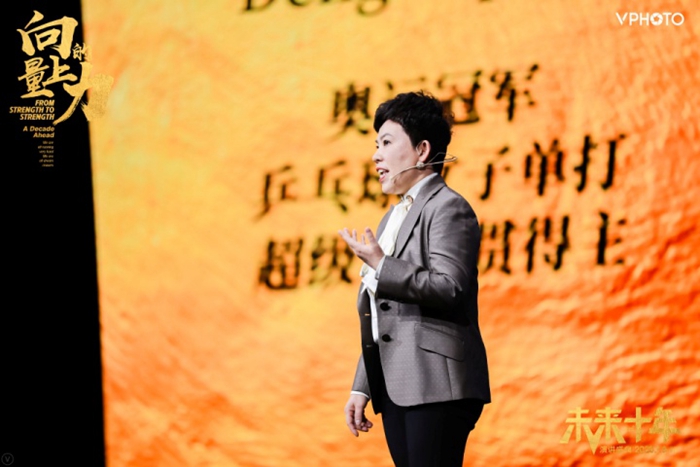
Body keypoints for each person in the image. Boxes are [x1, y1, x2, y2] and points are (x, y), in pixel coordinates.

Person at [338, 91, 491, 467]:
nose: (376, 156)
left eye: (387, 143)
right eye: (376, 145)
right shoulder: (392, 217)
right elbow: (383, 315)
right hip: (397, 383)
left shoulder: (448, 207)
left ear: (422, 151)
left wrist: (381, 264)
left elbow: (450, 287)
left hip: (438, 384)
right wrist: (362, 386)